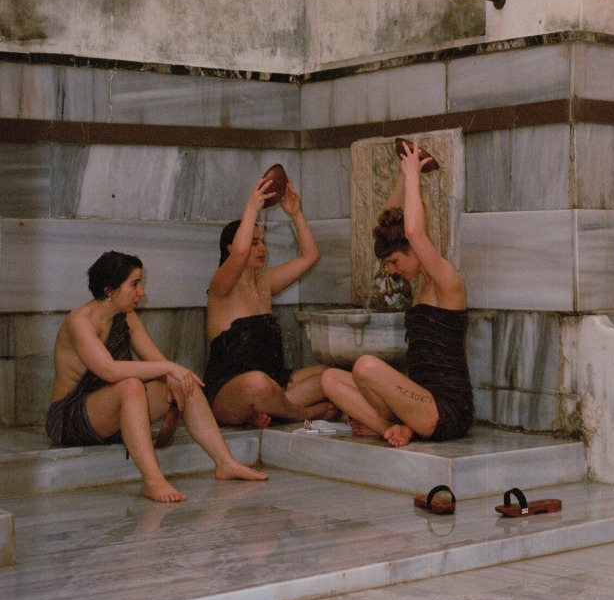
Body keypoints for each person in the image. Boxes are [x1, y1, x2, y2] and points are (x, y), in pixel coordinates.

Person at [47, 250, 268, 503]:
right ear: (110, 290)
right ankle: (153, 481)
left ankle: (225, 463)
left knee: (184, 381)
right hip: (70, 415)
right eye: (134, 284)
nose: (142, 292)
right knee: (132, 385)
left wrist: (173, 374)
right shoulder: (80, 321)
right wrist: (168, 369)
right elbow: (109, 370)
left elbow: (159, 363)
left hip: (110, 408)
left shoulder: (126, 317)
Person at [320, 140, 473, 447]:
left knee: (365, 366)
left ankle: (404, 427)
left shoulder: (446, 281)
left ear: (413, 251)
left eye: (393, 261)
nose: (390, 270)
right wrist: (404, 174)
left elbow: (415, 231)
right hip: (415, 402)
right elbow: (391, 215)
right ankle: (391, 427)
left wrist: (415, 170)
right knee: (330, 379)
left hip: (445, 411)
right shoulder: (419, 286)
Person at [205, 172, 336, 428]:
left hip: (274, 386)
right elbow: (241, 252)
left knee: (331, 374)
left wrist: (295, 214)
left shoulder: (264, 282)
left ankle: (276, 411)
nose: (262, 248)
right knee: (258, 384)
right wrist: (252, 208)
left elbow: (310, 256)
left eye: (263, 242)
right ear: (230, 249)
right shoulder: (220, 286)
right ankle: (304, 413)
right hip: (231, 393)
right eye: (254, 243)